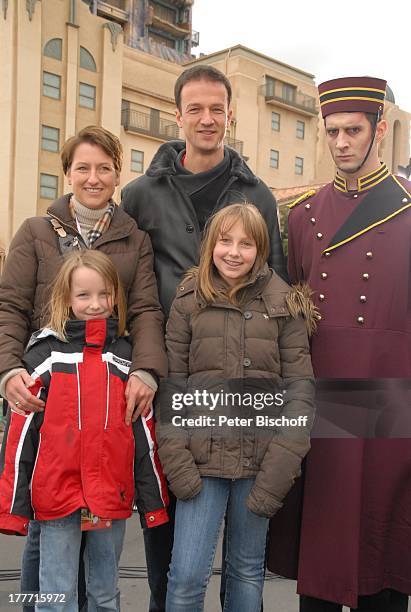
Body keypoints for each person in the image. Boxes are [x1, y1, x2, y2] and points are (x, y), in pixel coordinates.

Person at [121, 63, 287, 611]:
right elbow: (119, 279)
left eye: (217, 108)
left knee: (241, 557)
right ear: (178, 115)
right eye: (196, 108)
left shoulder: (257, 194)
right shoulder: (140, 194)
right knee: (169, 538)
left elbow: (276, 290)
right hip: (167, 376)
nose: (207, 119)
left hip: (237, 387)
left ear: (230, 113)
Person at [0, 126, 167, 609]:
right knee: (45, 526)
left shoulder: (133, 238)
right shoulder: (36, 231)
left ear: (117, 173)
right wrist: (10, 370)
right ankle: (39, 603)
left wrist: (145, 370)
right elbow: (10, 306)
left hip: (105, 386)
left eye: (104, 168)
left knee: (95, 554)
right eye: (83, 168)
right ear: (67, 172)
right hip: (47, 386)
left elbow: (145, 312)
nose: (93, 178)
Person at [268, 77, 411, 611]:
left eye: (354, 130)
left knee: (384, 547)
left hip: (393, 395)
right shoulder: (302, 216)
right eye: (333, 132)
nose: (343, 142)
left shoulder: (407, 212)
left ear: (378, 132)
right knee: (323, 560)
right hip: (325, 394)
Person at [156, 203, 315, 612]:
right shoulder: (189, 300)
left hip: (259, 465)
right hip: (199, 462)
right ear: (211, 244)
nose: (233, 252)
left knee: (246, 571)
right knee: (187, 576)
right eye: (225, 241)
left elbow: (300, 393)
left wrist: (279, 469)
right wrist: (177, 463)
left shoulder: (285, 304)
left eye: (246, 244)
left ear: (261, 249)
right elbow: (172, 389)